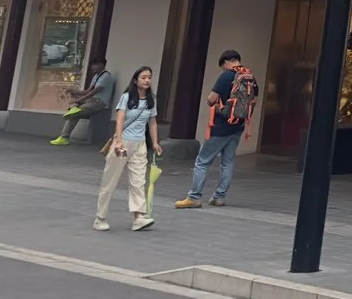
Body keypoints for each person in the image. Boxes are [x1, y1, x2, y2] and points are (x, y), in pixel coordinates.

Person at [176, 50, 255, 209]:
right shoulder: (250, 78)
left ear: (226, 62)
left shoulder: (226, 76)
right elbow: (253, 102)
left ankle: (194, 197)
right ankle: (219, 197)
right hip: (238, 126)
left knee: (202, 161)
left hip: (220, 127)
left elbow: (211, 99)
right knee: (227, 162)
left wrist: (219, 103)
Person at [94, 64, 160, 231]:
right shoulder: (126, 97)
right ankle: (100, 217)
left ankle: (139, 216)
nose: (147, 80)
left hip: (140, 144)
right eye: (143, 77)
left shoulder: (151, 100)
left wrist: (155, 142)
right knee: (110, 181)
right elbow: (120, 119)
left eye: (149, 78)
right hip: (123, 143)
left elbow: (152, 122)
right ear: (136, 80)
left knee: (138, 181)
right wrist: (119, 141)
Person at [54, 58, 117, 146]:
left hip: (99, 102)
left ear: (102, 65)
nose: (93, 67)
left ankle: (64, 136)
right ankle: (64, 136)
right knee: (74, 112)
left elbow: (94, 92)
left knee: (75, 112)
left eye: (96, 65)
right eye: (93, 65)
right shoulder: (96, 76)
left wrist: (79, 100)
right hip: (91, 100)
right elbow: (88, 91)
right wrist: (74, 92)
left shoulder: (106, 77)